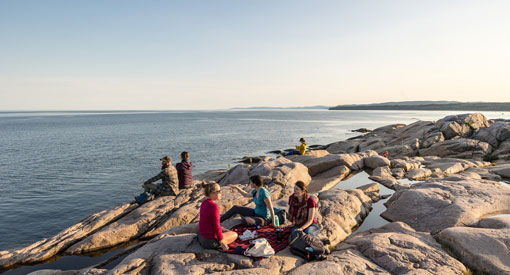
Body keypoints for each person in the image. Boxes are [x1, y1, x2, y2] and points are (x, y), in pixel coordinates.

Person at [198, 181, 238, 251]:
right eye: (219, 191)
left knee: (224, 229)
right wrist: (221, 241)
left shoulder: (204, 202)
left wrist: (222, 229)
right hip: (209, 242)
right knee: (235, 234)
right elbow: (216, 225)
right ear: (212, 193)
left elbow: (208, 222)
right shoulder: (214, 206)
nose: (220, 193)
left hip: (201, 236)